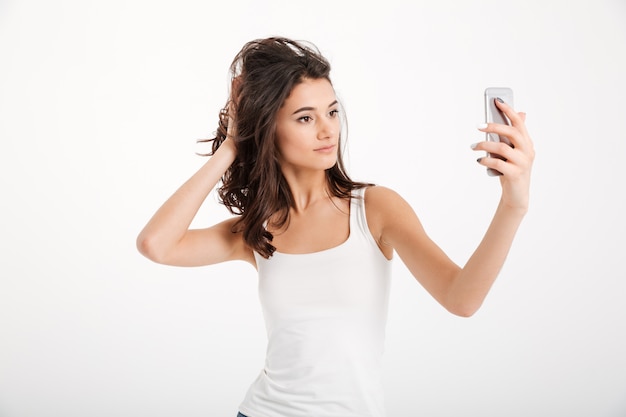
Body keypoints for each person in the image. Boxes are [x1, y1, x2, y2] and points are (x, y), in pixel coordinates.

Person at [136, 36, 535, 417]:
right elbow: (156, 244)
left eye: (331, 111)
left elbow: (461, 298)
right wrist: (232, 146)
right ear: (268, 129)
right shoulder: (255, 232)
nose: (327, 130)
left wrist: (513, 203)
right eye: (305, 118)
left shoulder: (375, 209)